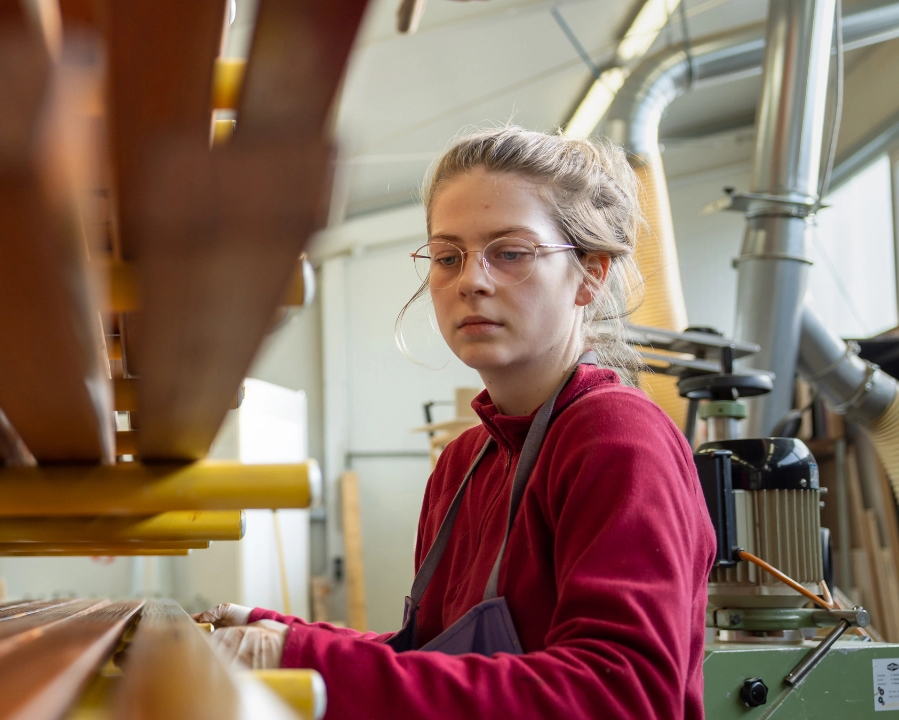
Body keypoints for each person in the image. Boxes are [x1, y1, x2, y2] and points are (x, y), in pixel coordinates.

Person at [196, 126, 715, 719]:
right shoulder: (465, 461)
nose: (471, 279)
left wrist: (297, 653)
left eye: (511, 253)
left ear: (591, 274)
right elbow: (425, 658)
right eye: (448, 256)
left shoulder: (617, 439)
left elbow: (619, 698)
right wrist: (274, 635)